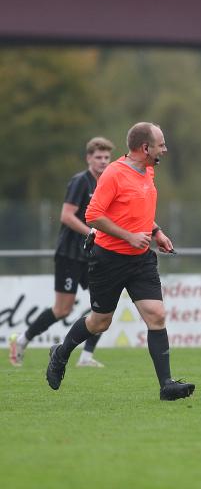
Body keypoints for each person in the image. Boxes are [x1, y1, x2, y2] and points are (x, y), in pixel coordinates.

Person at [45, 122, 195, 401]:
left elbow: (137, 211)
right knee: (100, 322)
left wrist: (156, 232)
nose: (165, 148)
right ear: (145, 147)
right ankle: (61, 352)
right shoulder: (114, 173)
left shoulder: (149, 170)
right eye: (161, 144)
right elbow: (93, 215)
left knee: (157, 314)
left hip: (141, 260)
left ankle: (167, 386)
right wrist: (128, 236)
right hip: (108, 260)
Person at [10, 137, 114, 367]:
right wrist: (91, 232)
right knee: (62, 309)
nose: (103, 162)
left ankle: (86, 357)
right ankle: (22, 341)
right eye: (98, 157)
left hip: (92, 255)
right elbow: (66, 216)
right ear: (88, 158)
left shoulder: (107, 182)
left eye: (107, 157)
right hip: (70, 254)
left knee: (104, 303)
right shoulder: (80, 181)